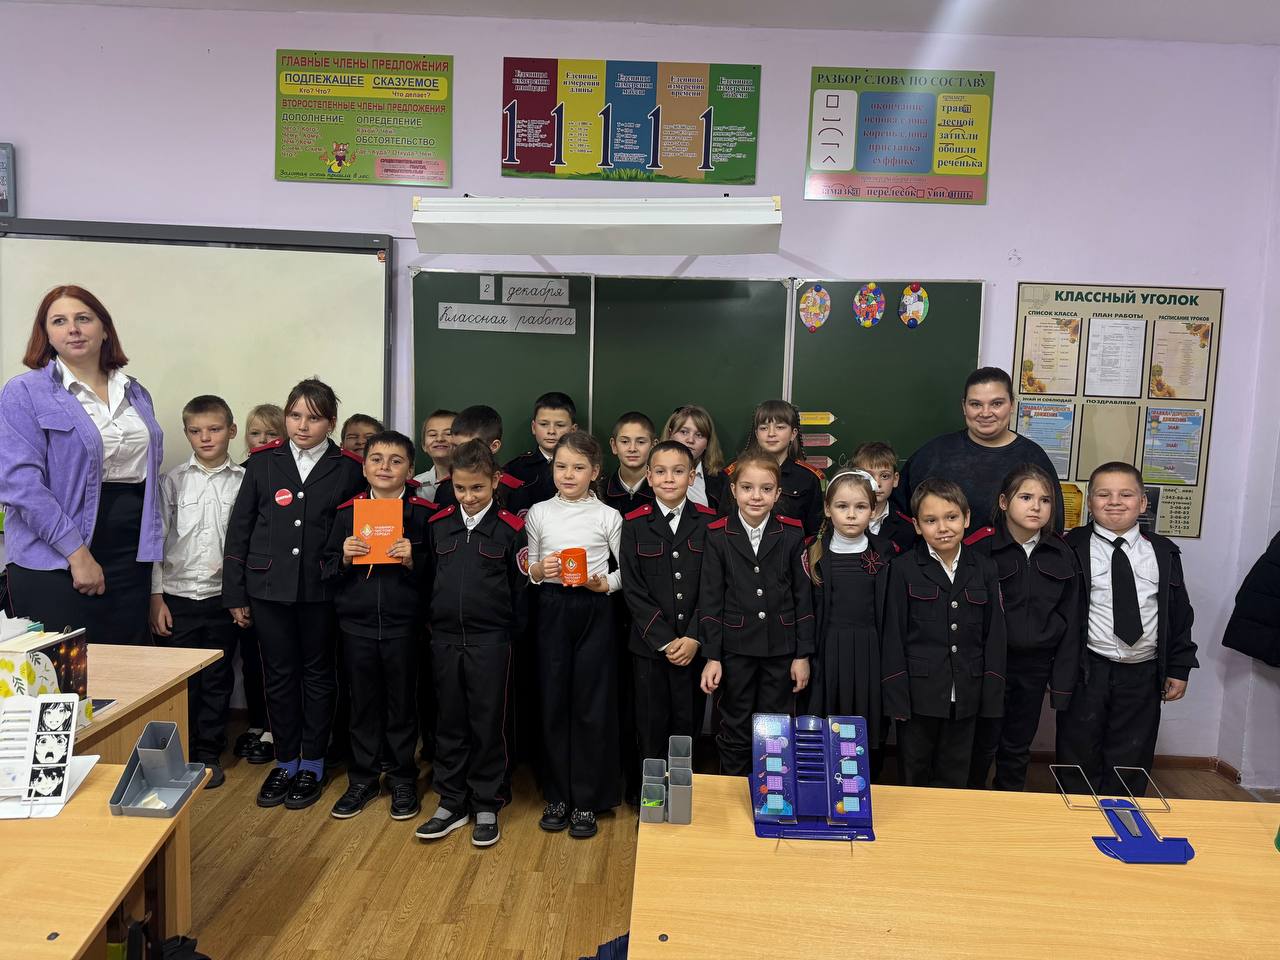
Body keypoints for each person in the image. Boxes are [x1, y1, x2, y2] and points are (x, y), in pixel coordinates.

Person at [223, 378, 365, 810]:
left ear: (332, 423)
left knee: (319, 675)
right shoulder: (263, 463)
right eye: (295, 415)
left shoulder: (349, 468)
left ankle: (313, 762)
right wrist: (235, 594)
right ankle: (285, 760)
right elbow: (241, 530)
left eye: (314, 418)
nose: (303, 426)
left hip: (323, 588)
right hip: (267, 589)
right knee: (279, 675)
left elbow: (353, 530)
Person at [0, 285, 164, 645]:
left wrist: (152, 572)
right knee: (68, 669)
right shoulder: (24, 392)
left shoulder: (136, 392)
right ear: (46, 334)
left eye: (83, 318)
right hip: (55, 557)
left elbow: (147, 480)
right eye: (59, 321)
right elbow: (19, 485)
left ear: (104, 329)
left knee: (129, 666)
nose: (72, 329)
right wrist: (77, 554)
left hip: (130, 556)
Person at [1056, 462, 1197, 797]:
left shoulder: (1163, 552)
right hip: (1087, 668)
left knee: (1133, 752)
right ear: (1090, 501)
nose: (1115, 502)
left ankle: (1122, 813)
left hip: (1143, 670)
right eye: (1104, 494)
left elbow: (1179, 613)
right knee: (1078, 748)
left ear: (1143, 502)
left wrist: (1179, 667)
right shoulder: (1069, 547)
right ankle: (1075, 815)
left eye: (1126, 494)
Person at [416, 440, 528, 848]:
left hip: (491, 642)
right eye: (461, 488)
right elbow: (428, 579)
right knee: (449, 722)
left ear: (495, 481)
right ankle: (451, 801)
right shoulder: (438, 524)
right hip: (445, 640)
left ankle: (487, 802)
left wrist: (508, 635)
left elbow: (520, 591)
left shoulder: (511, 529)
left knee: (488, 723)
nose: (468, 497)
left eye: (477, 488)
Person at [323, 431, 435, 822]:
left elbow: (440, 573)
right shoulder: (346, 513)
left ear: (410, 469)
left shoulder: (423, 515)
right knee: (362, 704)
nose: (385, 467)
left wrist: (413, 560)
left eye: (396, 460)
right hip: (357, 625)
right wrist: (343, 558)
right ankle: (363, 779)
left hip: (405, 625)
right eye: (376, 459)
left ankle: (403, 777)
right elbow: (324, 569)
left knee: (402, 703)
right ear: (364, 466)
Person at [525, 430, 623, 839]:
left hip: (593, 610)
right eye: (561, 466)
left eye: (578, 467)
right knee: (553, 702)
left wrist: (604, 584)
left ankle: (587, 799)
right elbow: (529, 567)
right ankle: (558, 795)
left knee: (590, 704)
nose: (568, 474)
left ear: (595, 471)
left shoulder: (608, 516)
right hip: (551, 608)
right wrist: (538, 571)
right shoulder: (538, 512)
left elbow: (625, 572)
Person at [882, 478, 1007, 789]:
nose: (943, 528)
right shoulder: (903, 568)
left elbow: (995, 635)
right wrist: (897, 698)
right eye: (930, 520)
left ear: (966, 518)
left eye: (951, 517)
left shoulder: (984, 568)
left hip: (968, 692)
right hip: (919, 694)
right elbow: (893, 635)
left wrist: (991, 694)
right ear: (916, 525)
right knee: (914, 771)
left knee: (956, 773)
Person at [963, 464, 1082, 790]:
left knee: (1017, 746)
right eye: (1026, 497)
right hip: (988, 665)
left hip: (1035, 667)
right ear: (1004, 502)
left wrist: (1061, 679)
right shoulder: (979, 549)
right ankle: (969, 807)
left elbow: (1071, 618)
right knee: (980, 744)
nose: (1036, 507)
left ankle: (1009, 806)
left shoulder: (1061, 553)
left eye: (1045, 500)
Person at [699, 451, 814, 777]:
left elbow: (803, 597)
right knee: (733, 723)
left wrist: (802, 654)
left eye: (766, 489)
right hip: (735, 650)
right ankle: (732, 789)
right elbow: (711, 599)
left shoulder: (792, 533)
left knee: (775, 727)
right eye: (747, 487)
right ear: (733, 490)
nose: (756, 496)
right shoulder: (717, 534)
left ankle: (773, 793)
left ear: (777, 494)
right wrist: (713, 656)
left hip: (781, 649)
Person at [149, 395, 243, 789]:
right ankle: (179, 754)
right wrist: (156, 597)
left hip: (223, 599)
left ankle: (208, 753)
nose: (205, 437)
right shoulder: (171, 481)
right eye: (195, 431)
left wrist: (240, 597)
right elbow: (156, 541)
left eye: (214, 429)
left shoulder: (245, 482)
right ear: (186, 433)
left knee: (217, 679)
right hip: (177, 597)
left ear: (231, 431)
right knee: (179, 681)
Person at [621, 440, 718, 766]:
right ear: (648, 476)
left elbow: (714, 587)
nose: (669, 478)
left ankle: (682, 788)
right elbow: (633, 589)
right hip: (650, 648)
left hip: (693, 647)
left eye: (678, 471)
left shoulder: (709, 523)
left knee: (687, 725)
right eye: (660, 472)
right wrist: (664, 640)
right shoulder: (634, 524)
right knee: (650, 725)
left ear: (691, 477)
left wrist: (693, 636)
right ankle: (650, 791)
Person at [894, 368, 1064, 536]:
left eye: (996, 403)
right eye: (976, 404)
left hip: (1013, 555)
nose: (985, 413)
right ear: (964, 406)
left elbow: (1052, 528)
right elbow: (898, 516)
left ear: (1012, 405)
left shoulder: (1034, 458)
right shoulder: (932, 454)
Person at [805, 470, 894, 779]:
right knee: (827, 720)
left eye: (860, 507)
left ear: (873, 509)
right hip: (828, 651)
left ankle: (864, 786)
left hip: (870, 652)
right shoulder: (814, 554)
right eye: (842, 506)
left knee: (865, 722)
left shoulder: (884, 552)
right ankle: (826, 784)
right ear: (828, 509)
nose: (852, 514)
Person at [232, 403, 284, 765]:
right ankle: (255, 722)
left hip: (273, 583)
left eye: (271, 433)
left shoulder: (283, 473)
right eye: (255, 433)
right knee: (251, 659)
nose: (262, 440)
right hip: (245, 580)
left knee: (274, 662)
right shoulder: (239, 472)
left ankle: (272, 727)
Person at [730, 400, 823, 536]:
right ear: (756, 434)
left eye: (780, 427)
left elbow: (813, 532)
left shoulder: (808, 478)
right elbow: (725, 524)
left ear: (793, 434)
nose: (771, 433)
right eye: (764, 428)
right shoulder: (735, 473)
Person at [504, 391, 577, 507]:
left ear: (573, 430)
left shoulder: (585, 469)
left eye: (560, 425)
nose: (551, 431)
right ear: (534, 427)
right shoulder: (514, 470)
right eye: (544, 424)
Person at [850, 441, 916, 553]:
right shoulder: (839, 521)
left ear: (895, 479)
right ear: (854, 478)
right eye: (869, 476)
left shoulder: (907, 528)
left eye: (885, 476)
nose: (877, 483)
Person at [661, 404, 729, 513]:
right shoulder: (649, 474)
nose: (690, 440)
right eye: (684, 432)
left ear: (707, 443)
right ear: (670, 434)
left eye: (699, 435)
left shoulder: (720, 480)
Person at [602, 411, 656, 515]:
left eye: (641, 442)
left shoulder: (663, 490)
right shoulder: (600, 492)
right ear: (614, 446)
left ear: (653, 446)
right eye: (625, 442)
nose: (632, 449)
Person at [413, 408, 457, 502]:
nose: (440, 439)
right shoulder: (416, 484)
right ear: (424, 445)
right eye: (433, 435)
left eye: (448, 434)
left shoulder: (476, 480)